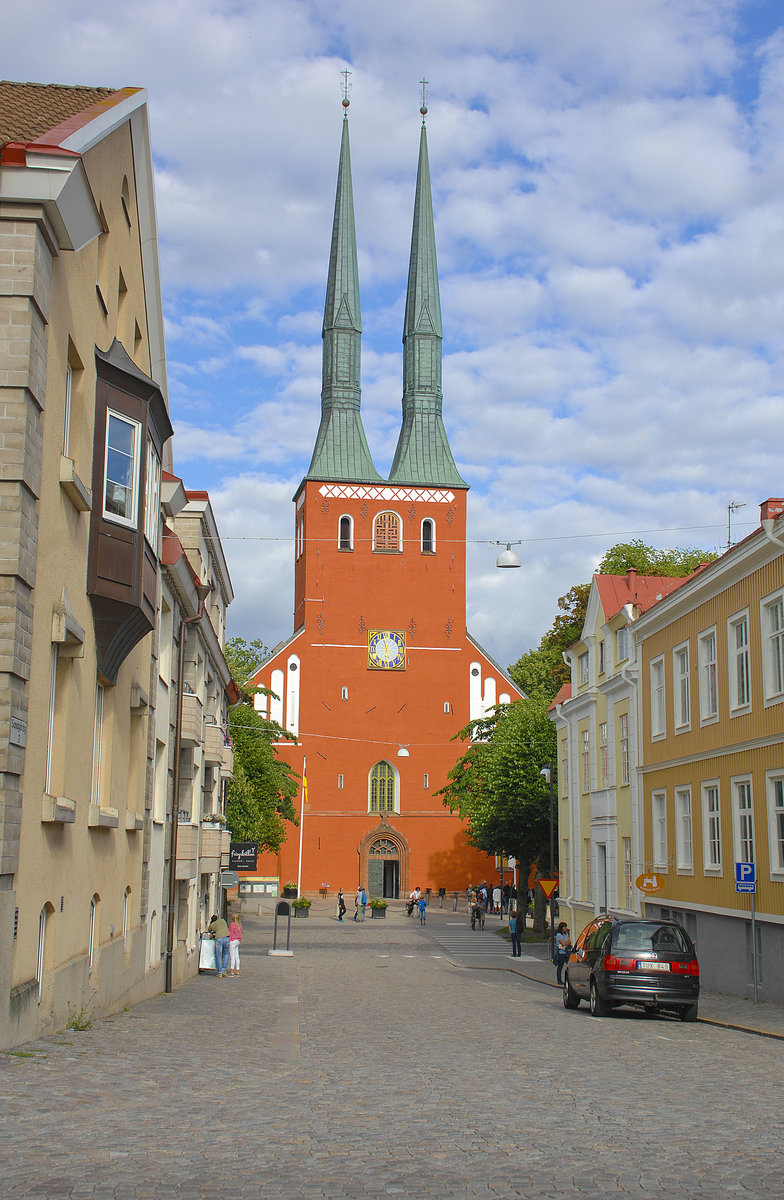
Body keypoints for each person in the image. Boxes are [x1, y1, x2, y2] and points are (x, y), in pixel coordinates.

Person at [208, 912, 230, 978]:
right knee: (226, 953)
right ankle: (224, 968)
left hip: (219, 939)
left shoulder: (212, 924)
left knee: (219, 955)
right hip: (226, 937)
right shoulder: (223, 921)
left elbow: (210, 930)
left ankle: (220, 972)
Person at [554, 921, 571, 985]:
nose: (565, 928)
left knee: (568, 966)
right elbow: (563, 943)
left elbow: (569, 941)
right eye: (564, 927)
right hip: (561, 953)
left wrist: (566, 943)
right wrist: (566, 943)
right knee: (560, 967)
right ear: (561, 928)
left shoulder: (566, 934)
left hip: (566, 952)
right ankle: (559, 980)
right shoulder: (558, 935)